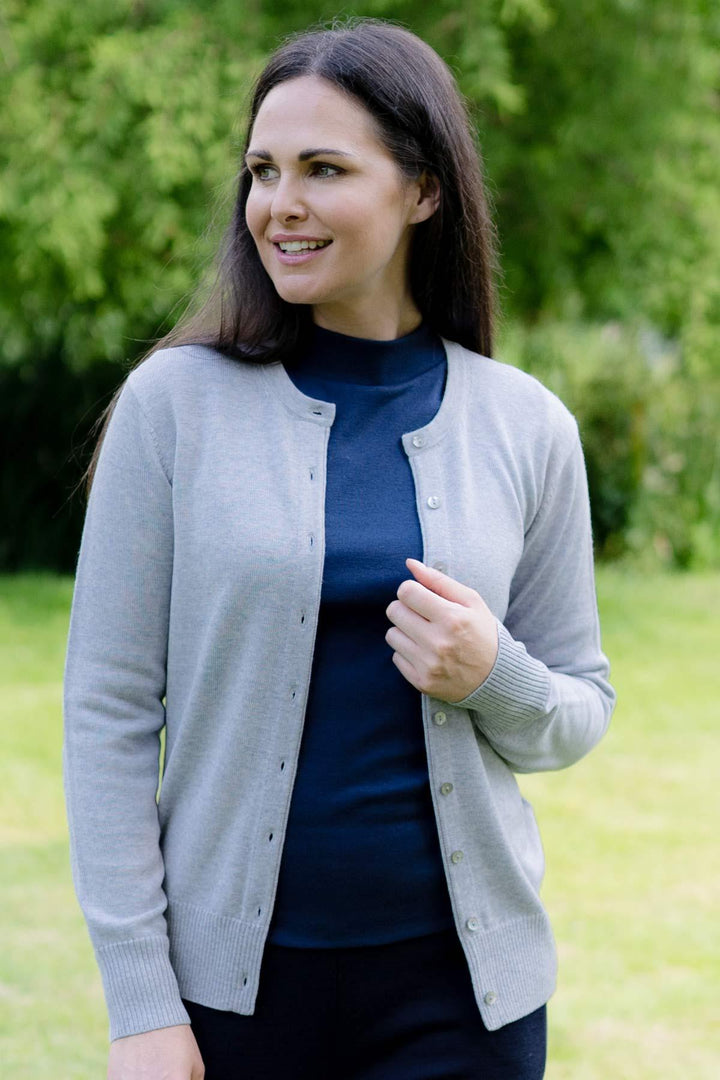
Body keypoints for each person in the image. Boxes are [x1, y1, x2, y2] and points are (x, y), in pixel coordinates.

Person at [63, 17, 615, 1080]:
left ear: (424, 191)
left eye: (324, 169)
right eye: (263, 171)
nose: (280, 203)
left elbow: (578, 707)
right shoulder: (172, 407)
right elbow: (107, 711)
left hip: (464, 1004)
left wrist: (491, 674)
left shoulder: (526, 425)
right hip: (231, 1003)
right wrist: (141, 1004)